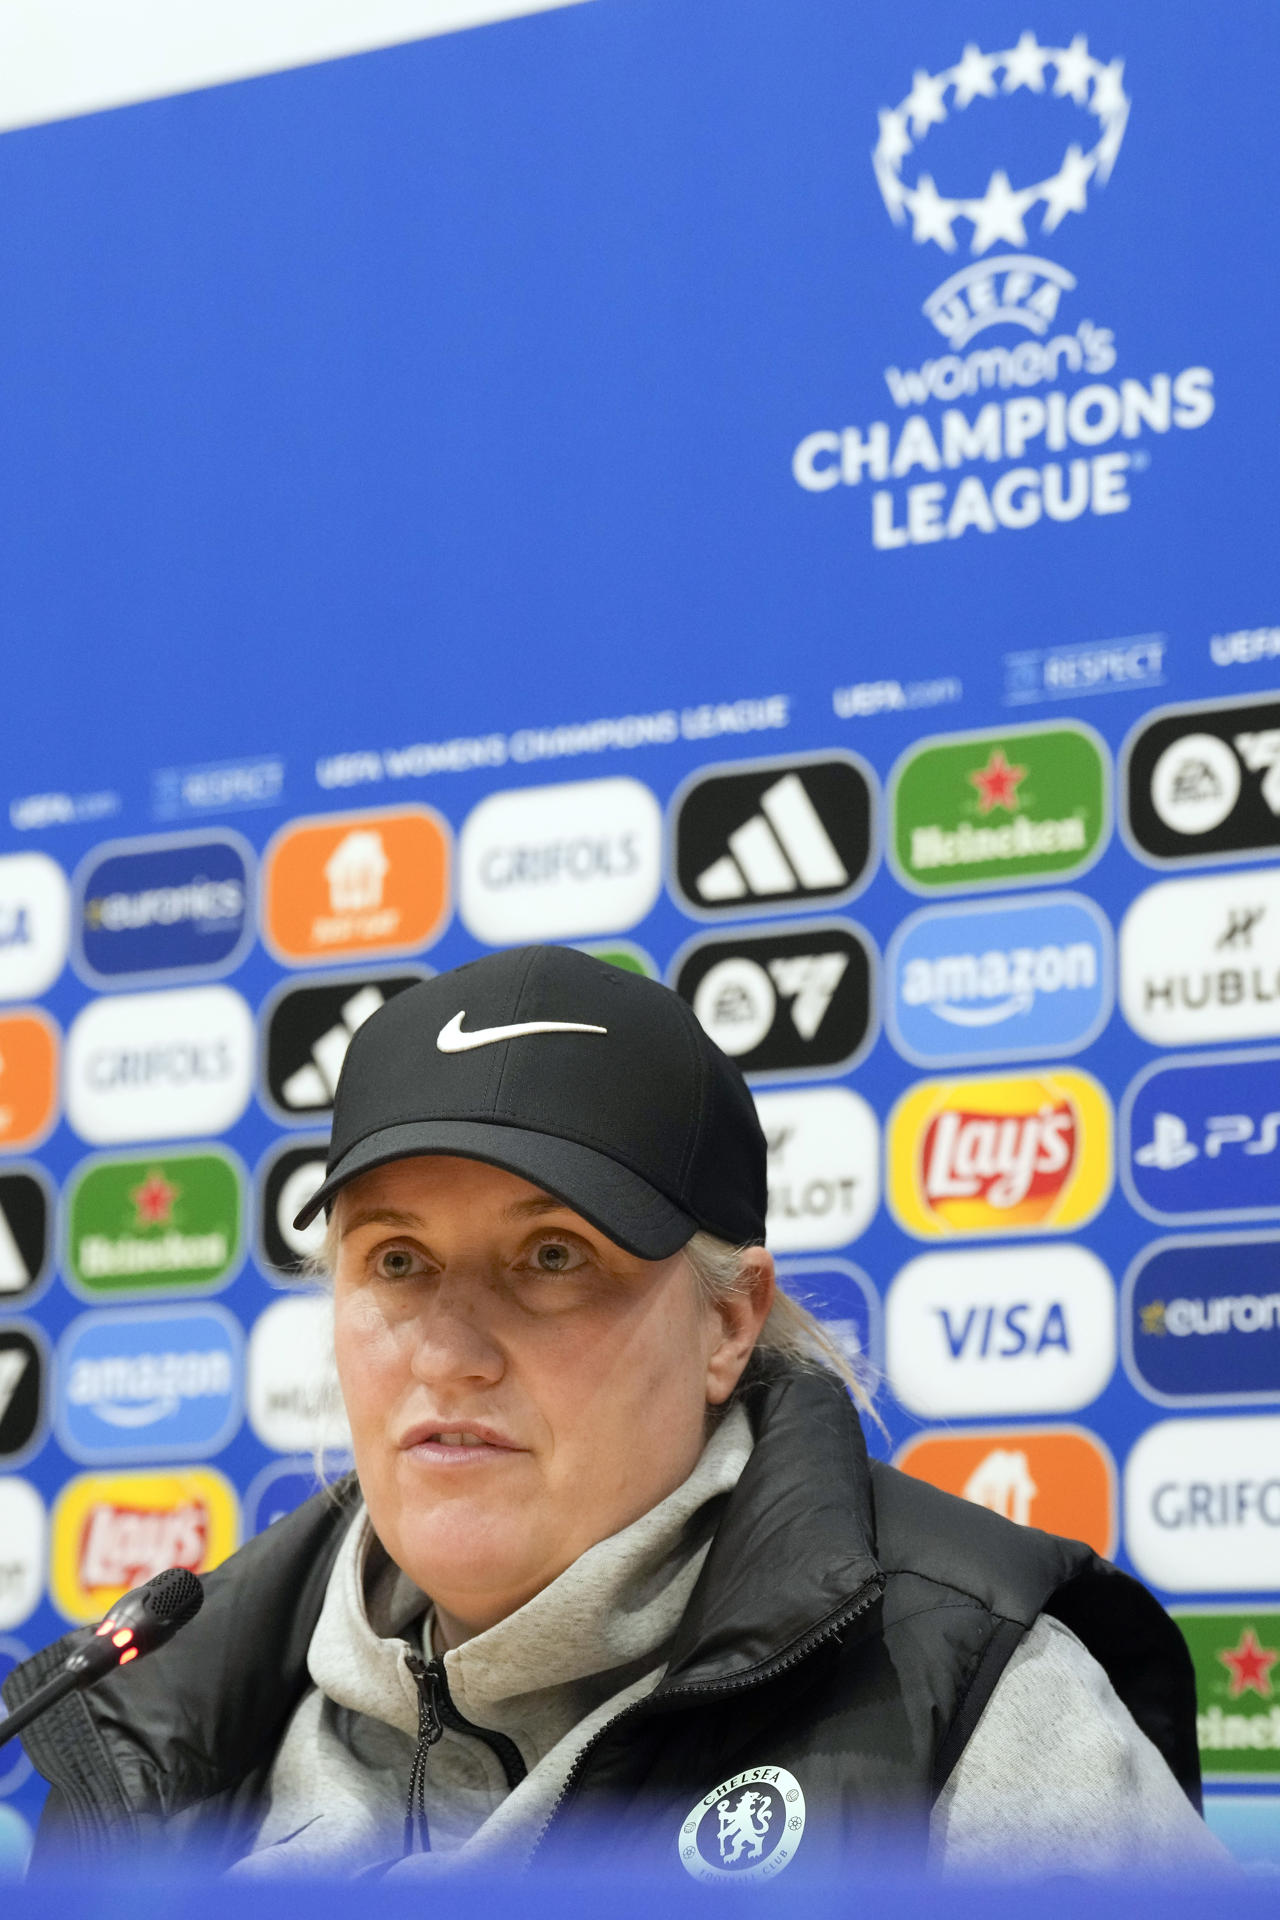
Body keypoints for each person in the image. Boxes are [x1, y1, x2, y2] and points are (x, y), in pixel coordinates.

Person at [6, 945, 1228, 1880]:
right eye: (394, 1262)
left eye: (550, 1259)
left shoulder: (966, 1702)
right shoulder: (149, 1738)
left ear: (727, 1321)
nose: (446, 1350)